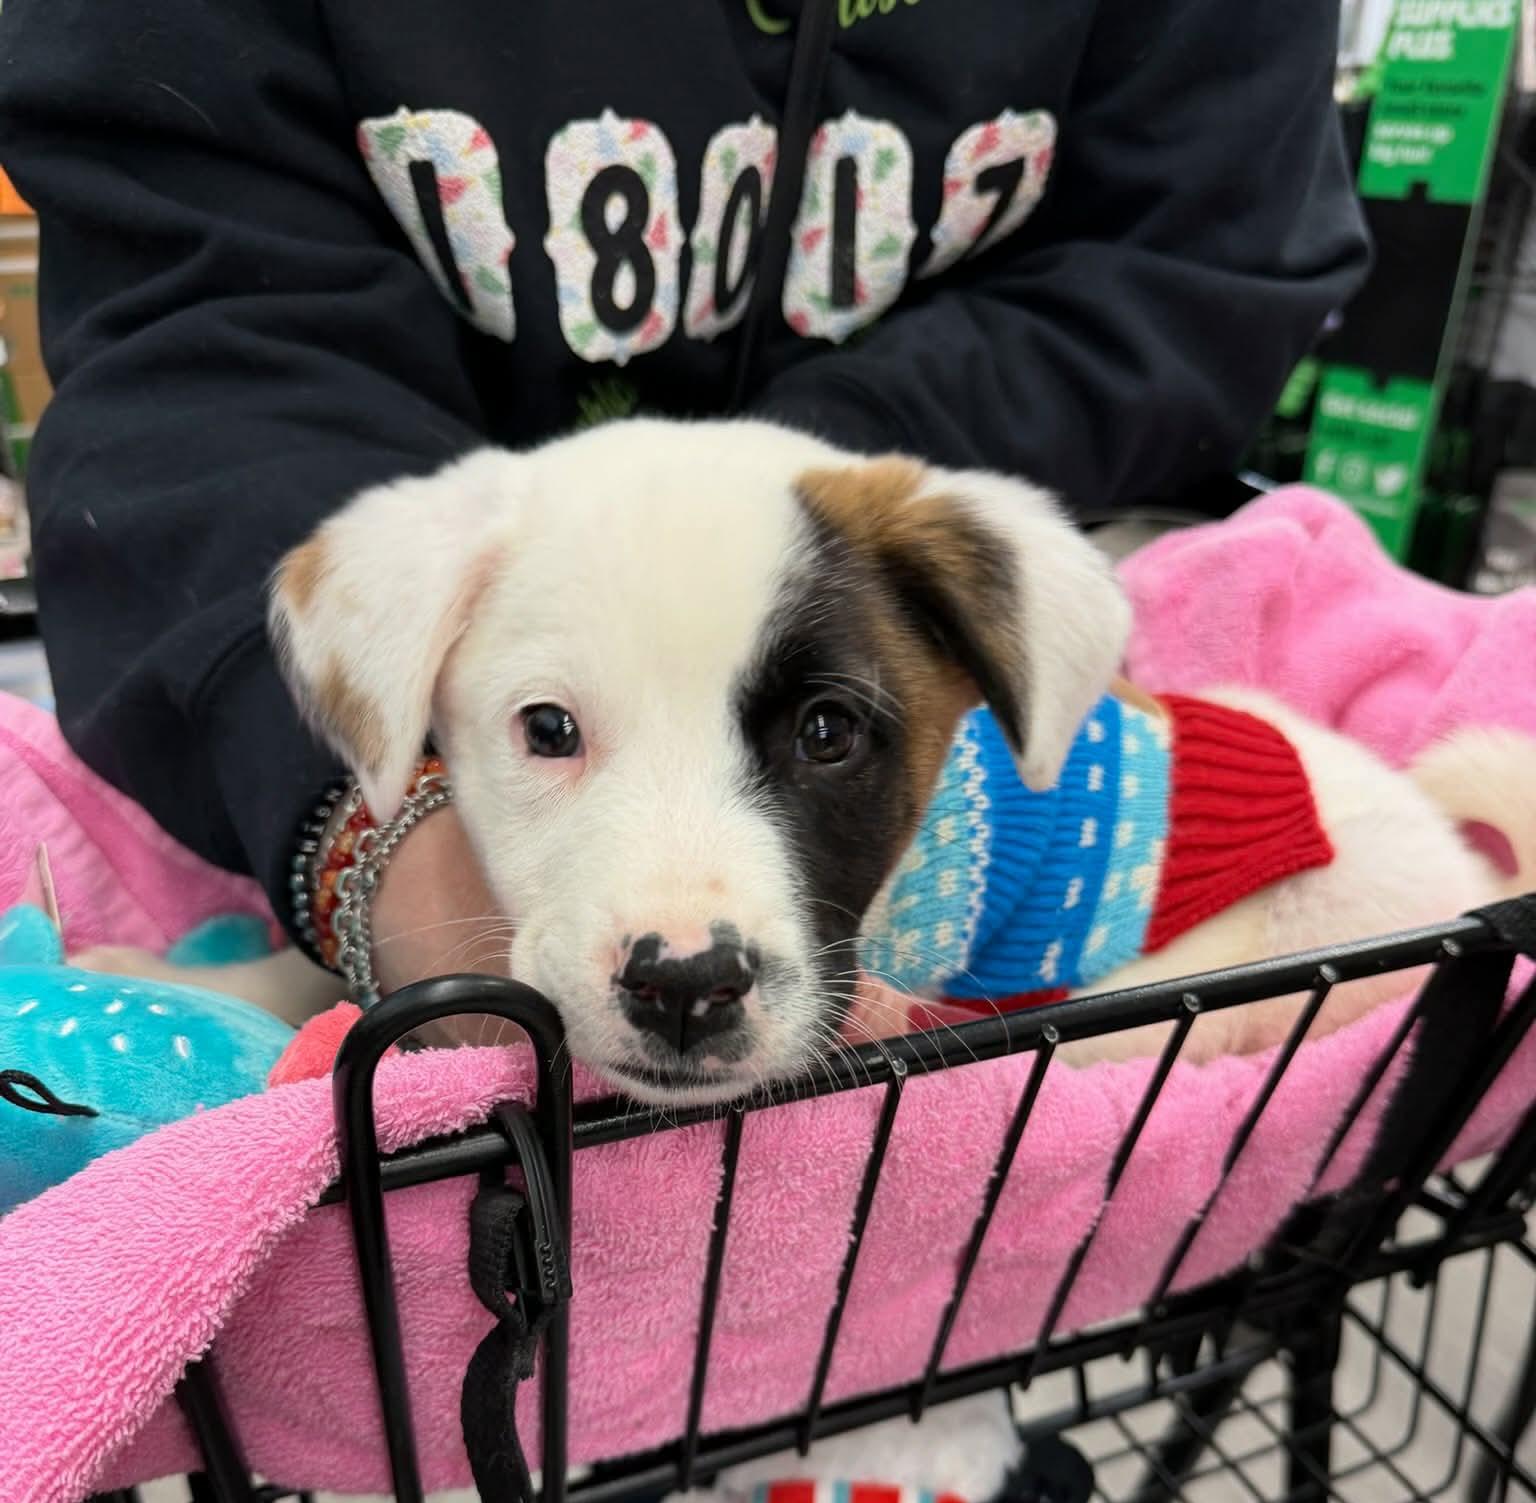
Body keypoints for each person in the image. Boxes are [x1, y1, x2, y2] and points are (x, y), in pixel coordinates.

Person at [0, 0, 1367, 1008]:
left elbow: (1204, 258)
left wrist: (778, 508)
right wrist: (373, 857)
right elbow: (206, 345)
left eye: (830, 726)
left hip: (1280, 880)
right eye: (552, 729)